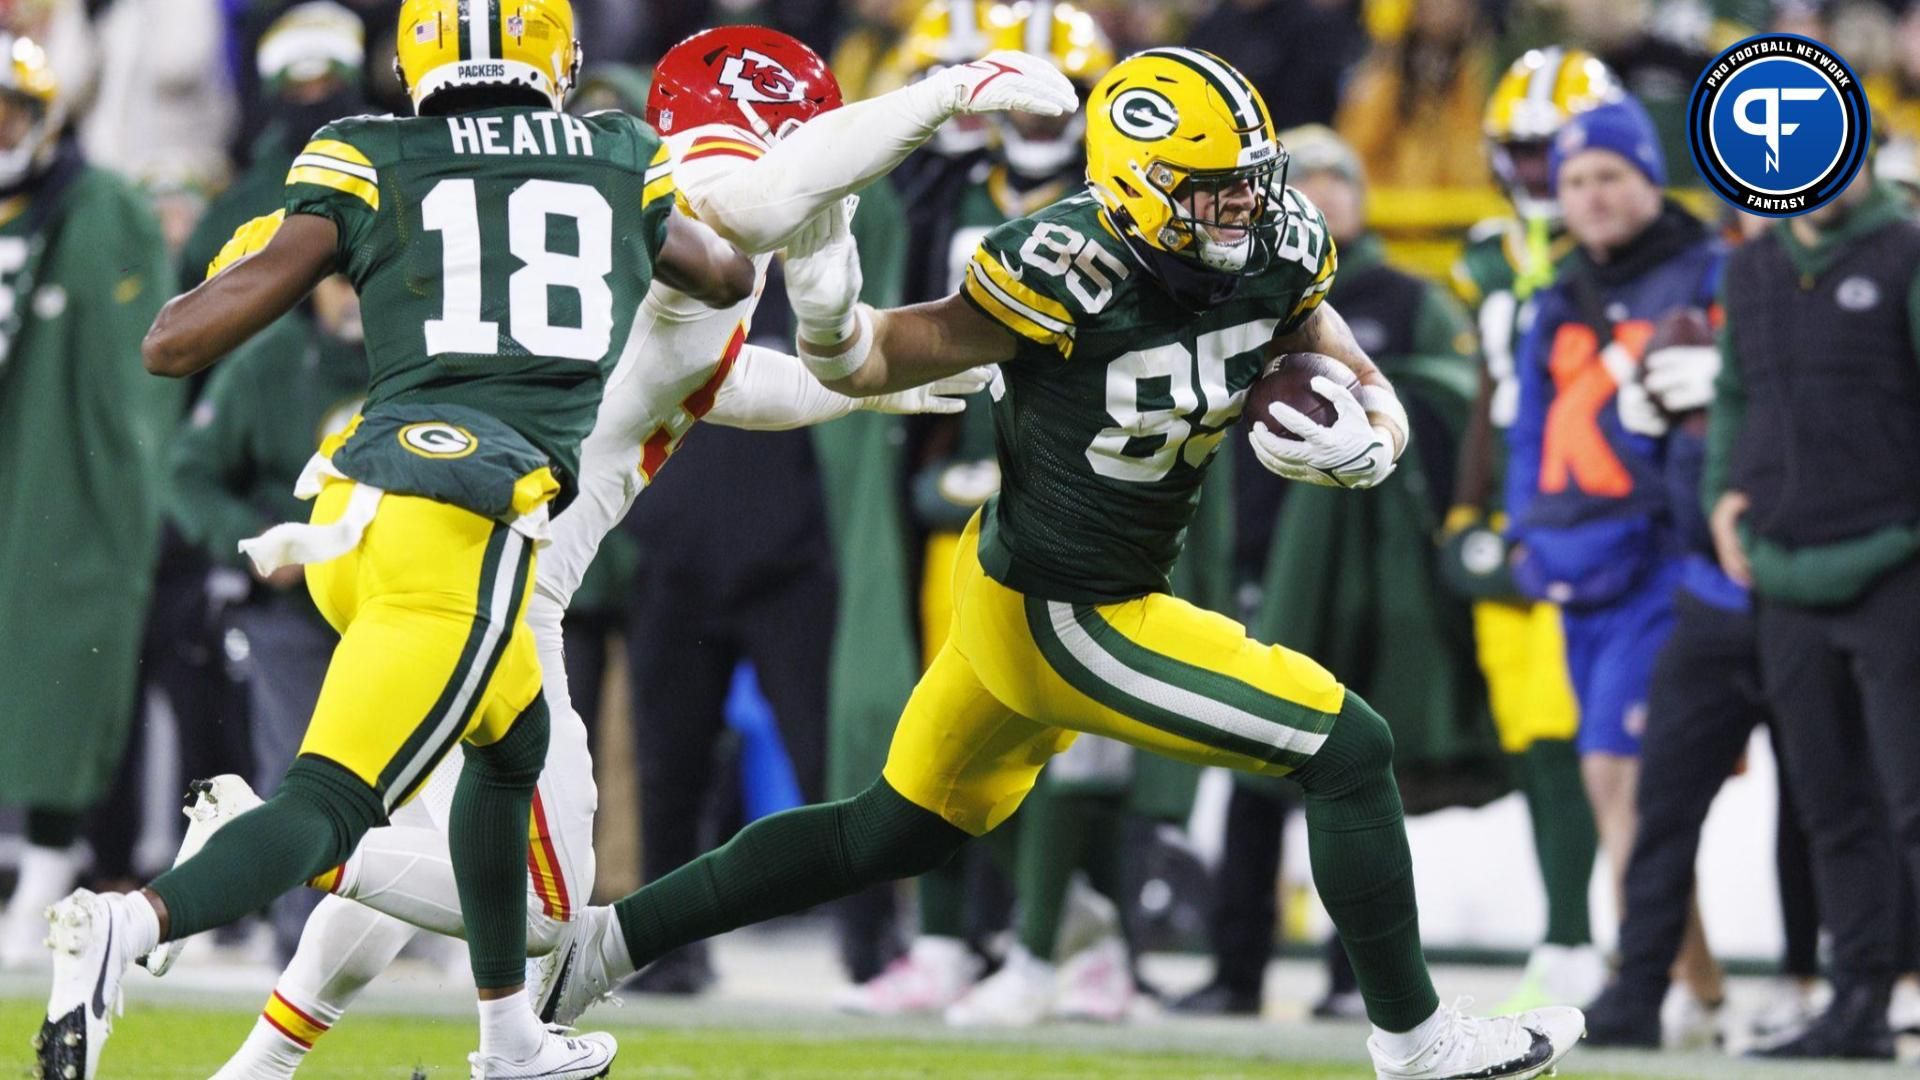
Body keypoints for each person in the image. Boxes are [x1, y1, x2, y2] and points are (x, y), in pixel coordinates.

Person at [538, 46, 1587, 1080]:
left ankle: (602, 947)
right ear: (1136, 186)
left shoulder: (1277, 239)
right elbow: (859, 361)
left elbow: (1338, 354)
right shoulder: (1061, 264)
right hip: (1068, 608)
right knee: (1348, 747)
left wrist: (1380, 433)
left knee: (885, 832)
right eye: (1212, 194)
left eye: (1250, 189)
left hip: (1039, 589)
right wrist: (822, 273)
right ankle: (1417, 1045)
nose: (1242, 214)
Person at [187, 29, 1072, 1078]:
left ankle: (272, 1059)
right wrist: (939, 96)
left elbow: (719, 383)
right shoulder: (683, 188)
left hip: (413, 524)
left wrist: (876, 382)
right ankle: (267, 846)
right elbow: (763, 203)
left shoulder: (630, 217)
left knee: (443, 842)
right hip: (487, 563)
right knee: (543, 912)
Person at [34, 1, 760, 1075]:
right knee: (331, 803)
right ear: (555, 57)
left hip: (353, 509)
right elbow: (726, 275)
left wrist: (273, 240)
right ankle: (129, 925)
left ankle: (511, 1036)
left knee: (509, 744)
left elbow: (172, 344)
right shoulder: (615, 152)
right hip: (466, 526)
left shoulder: (369, 155)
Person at [1176, 122, 1494, 1021]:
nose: (1320, 195)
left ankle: (1355, 978)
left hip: (1367, 572)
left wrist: (1375, 397)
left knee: (1350, 769)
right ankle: (1234, 968)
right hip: (1254, 554)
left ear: (1360, 195)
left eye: (1335, 179)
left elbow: (1455, 393)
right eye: (1301, 180)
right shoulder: (1231, 292)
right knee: (1248, 773)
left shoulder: (1404, 296)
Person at [1503, 93, 1728, 1038]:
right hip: (1575, 563)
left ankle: (1656, 985)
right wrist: (1523, 532)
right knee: (1627, 793)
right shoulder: (1555, 290)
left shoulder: (1709, 273)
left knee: (1620, 776)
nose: (1590, 197)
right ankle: (1702, 991)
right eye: (1573, 180)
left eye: (1609, 176)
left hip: (1661, 565)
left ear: (1649, 176)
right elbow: (1528, 428)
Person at [1706, 165, 1920, 1060]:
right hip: (1784, 574)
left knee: (1914, 803)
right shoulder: (1750, 268)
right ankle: (1858, 1004)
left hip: (1896, 564)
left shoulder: (1907, 254)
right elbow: (1733, 394)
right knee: (1830, 806)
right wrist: (1724, 495)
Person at [0, 34, 179, 971]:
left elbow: (127, 380)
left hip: (53, 472)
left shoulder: (96, 207)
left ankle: (47, 862)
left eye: (7, 113)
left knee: (59, 661)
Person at [1446, 46, 1614, 1012]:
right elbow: (1486, 393)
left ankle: (1583, 939)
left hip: (1601, 509)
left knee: (1600, 742)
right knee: (1536, 732)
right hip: (1517, 507)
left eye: (1559, 153)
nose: (1542, 176)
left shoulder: (1639, 249)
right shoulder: (1484, 256)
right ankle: (1575, 938)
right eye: (1526, 152)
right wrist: (1469, 511)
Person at [165, 274, 368, 965]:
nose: (353, 297)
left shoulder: (424, 350)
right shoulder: (268, 361)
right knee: (305, 774)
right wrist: (255, 539)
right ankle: (304, 947)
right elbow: (189, 472)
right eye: (340, 280)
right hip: (296, 611)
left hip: (401, 604)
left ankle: (408, 933)